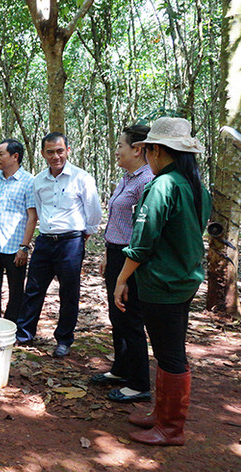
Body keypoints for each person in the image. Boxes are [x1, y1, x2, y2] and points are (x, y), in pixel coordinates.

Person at [114, 117, 211, 446]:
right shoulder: (194, 186)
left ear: (156, 150)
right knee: (170, 349)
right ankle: (162, 413)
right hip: (183, 280)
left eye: (147, 150)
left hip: (162, 285)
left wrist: (121, 279)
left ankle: (171, 427)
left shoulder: (163, 186)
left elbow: (142, 244)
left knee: (170, 354)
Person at [15, 132, 102, 358]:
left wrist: (85, 235)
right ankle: (24, 334)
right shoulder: (38, 180)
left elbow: (93, 212)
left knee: (69, 292)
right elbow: (39, 210)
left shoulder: (82, 178)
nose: (56, 156)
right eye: (50, 152)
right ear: (43, 153)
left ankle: (64, 339)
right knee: (33, 289)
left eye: (60, 151)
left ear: (68, 151)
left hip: (71, 242)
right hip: (45, 241)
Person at [90, 125, 154, 403]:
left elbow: (142, 233)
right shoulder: (126, 179)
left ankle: (139, 382)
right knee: (117, 316)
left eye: (120, 146)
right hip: (115, 253)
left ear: (138, 149)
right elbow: (118, 222)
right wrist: (107, 254)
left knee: (131, 318)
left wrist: (125, 273)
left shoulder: (147, 181)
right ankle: (121, 369)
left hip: (132, 260)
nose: (116, 151)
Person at [0, 139, 37, 321]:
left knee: (16, 290)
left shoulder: (29, 182)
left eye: (1, 154)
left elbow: (32, 217)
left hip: (14, 247)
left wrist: (24, 247)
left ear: (15, 156)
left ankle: (12, 327)